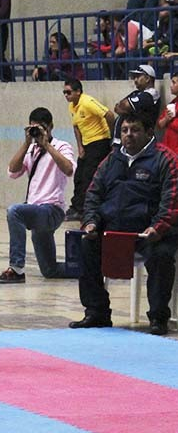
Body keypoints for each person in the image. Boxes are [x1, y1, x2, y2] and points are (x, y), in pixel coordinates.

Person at [69, 113, 178, 336]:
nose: (129, 135)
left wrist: (158, 227)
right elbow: (93, 195)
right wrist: (90, 222)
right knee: (86, 246)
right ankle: (97, 312)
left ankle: (158, 317)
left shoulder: (166, 159)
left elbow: (172, 200)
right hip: (113, 231)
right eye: (125, 130)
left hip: (151, 233)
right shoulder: (111, 160)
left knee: (161, 255)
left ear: (149, 132)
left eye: (135, 129)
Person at [0, 108, 78, 284]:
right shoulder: (31, 150)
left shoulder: (61, 146)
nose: (38, 132)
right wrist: (26, 143)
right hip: (37, 211)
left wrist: (47, 145)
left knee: (15, 211)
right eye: (33, 128)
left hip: (51, 210)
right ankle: (88, 267)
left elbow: (69, 169)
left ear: (51, 127)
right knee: (50, 270)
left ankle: (16, 269)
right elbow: (12, 171)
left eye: (41, 128)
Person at [63, 79, 115, 221]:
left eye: (68, 92)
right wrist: (80, 147)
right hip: (87, 144)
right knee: (79, 176)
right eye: (64, 93)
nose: (66, 95)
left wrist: (113, 138)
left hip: (99, 142)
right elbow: (76, 127)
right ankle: (76, 206)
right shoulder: (72, 107)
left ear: (78, 91)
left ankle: (84, 210)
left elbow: (109, 115)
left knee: (88, 177)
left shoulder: (88, 102)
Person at [113, 64, 161, 145]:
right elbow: (117, 108)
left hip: (138, 140)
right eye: (134, 77)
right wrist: (128, 109)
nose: (135, 80)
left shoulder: (151, 94)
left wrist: (127, 108)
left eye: (138, 77)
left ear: (147, 78)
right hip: (124, 140)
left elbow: (125, 105)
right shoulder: (136, 93)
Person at [157, 75, 178, 153]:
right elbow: (160, 125)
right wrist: (166, 119)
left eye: (174, 83)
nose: (171, 86)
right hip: (168, 150)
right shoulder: (172, 103)